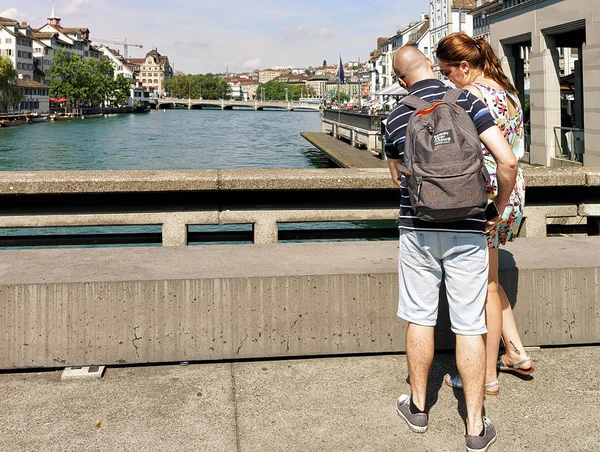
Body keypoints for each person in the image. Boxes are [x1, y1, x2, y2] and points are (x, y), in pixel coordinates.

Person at [385, 46, 517, 452]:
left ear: (401, 79)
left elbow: (397, 179)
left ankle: (419, 408)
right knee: (469, 324)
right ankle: (475, 428)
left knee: (420, 317)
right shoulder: (468, 100)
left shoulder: (394, 116)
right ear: (430, 63)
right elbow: (507, 163)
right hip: (469, 227)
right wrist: (495, 206)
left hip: (418, 229)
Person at [436, 32, 533, 398]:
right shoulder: (507, 91)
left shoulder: (472, 95)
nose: (447, 79)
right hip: (513, 187)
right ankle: (517, 352)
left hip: (486, 191)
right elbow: (516, 149)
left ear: (464, 66)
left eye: (448, 72)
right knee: (491, 275)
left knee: (485, 286)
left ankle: (484, 377)